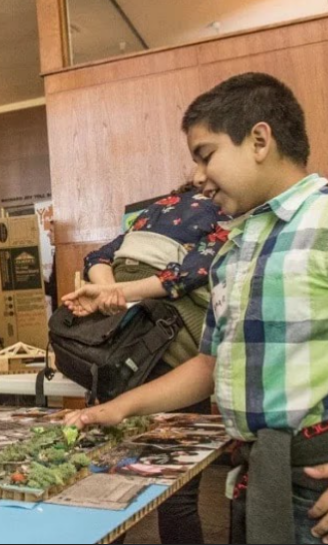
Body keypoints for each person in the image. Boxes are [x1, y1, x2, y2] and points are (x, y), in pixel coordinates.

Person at [67, 73, 328, 545]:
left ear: (258, 139)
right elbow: (211, 365)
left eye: (206, 154)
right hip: (263, 479)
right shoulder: (234, 248)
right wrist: (117, 410)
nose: (196, 177)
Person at [60, 182, 227, 545]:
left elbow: (97, 258)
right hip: (173, 356)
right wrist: (123, 293)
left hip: (120, 355)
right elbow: (189, 274)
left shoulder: (146, 216)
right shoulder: (221, 208)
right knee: (177, 494)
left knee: (107, 481)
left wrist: (110, 293)